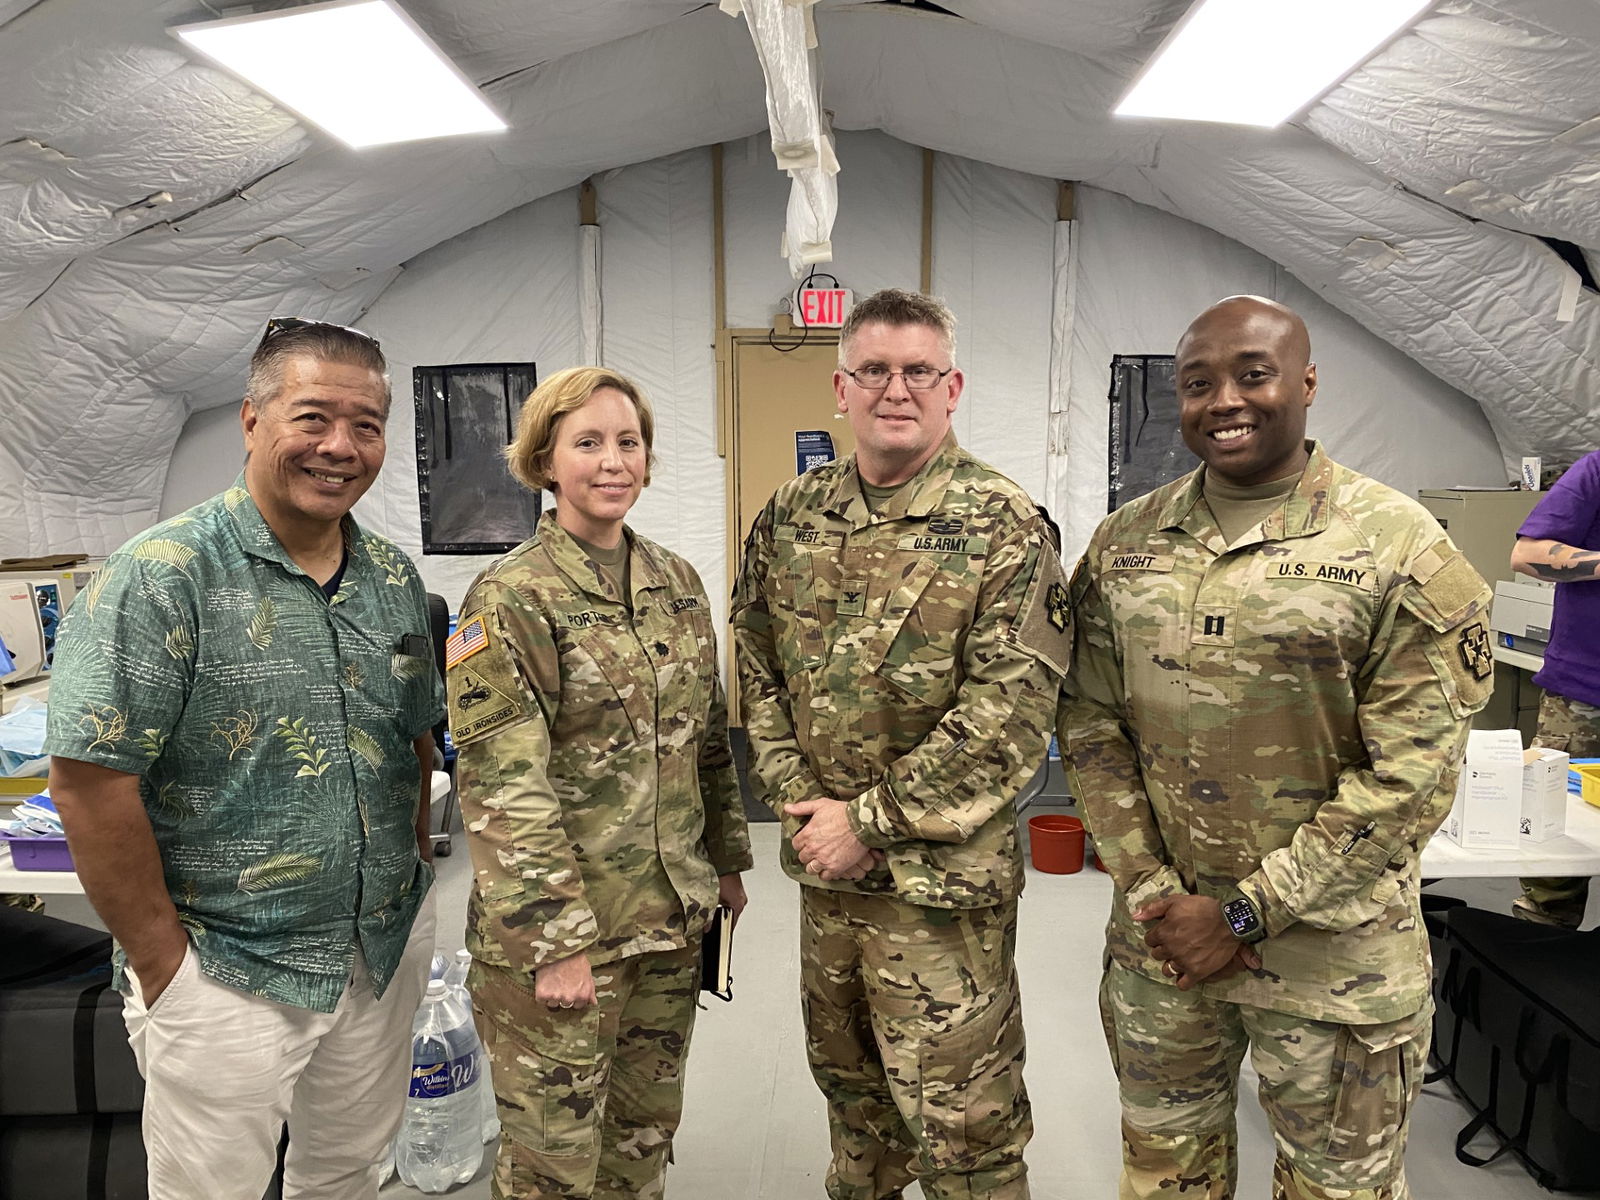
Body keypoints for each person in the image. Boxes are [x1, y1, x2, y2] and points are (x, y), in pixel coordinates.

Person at [1060, 295, 1493, 1199]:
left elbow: (1411, 775)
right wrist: (1150, 891)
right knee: (1164, 1175)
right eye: (1196, 383)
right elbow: (1091, 723)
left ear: (1305, 383)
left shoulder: (1396, 543)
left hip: (1334, 963)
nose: (1224, 400)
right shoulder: (1125, 544)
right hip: (1163, 950)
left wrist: (1245, 916)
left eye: (1252, 374)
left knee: (1338, 1188)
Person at [45, 317, 443, 1200]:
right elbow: (87, 781)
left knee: (346, 1175)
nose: (340, 446)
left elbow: (415, 740)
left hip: (375, 956)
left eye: (366, 425)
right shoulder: (162, 575)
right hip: (228, 968)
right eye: (312, 417)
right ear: (253, 420)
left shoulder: (393, 578)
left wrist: (411, 876)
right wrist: (165, 969)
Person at [732, 288, 1071, 1200]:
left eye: (918, 370)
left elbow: (1010, 714)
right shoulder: (791, 514)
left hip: (938, 897)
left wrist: (866, 822)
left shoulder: (1004, 524)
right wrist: (798, 798)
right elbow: (756, 656)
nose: (896, 389)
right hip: (827, 878)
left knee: (966, 1135)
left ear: (952, 386)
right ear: (840, 388)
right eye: (874, 370)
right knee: (854, 1111)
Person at [449, 366, 752, 1200]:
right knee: (555, 1166)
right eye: (587, 443)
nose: (612, 461)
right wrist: (554, 943)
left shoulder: (678, 584)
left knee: (641, 1143)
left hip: (666, 923)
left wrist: (725, 866)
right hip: (567, 942)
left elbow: (707, 746)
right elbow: (502, 784)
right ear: (545, 461)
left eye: (629, 442)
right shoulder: (511, 596)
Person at [1511, 448, 1600, 926]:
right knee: (1553, 876)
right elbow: (1526, 555)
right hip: (1584, 697)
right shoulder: (1597, 470)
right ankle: (1528, 987)